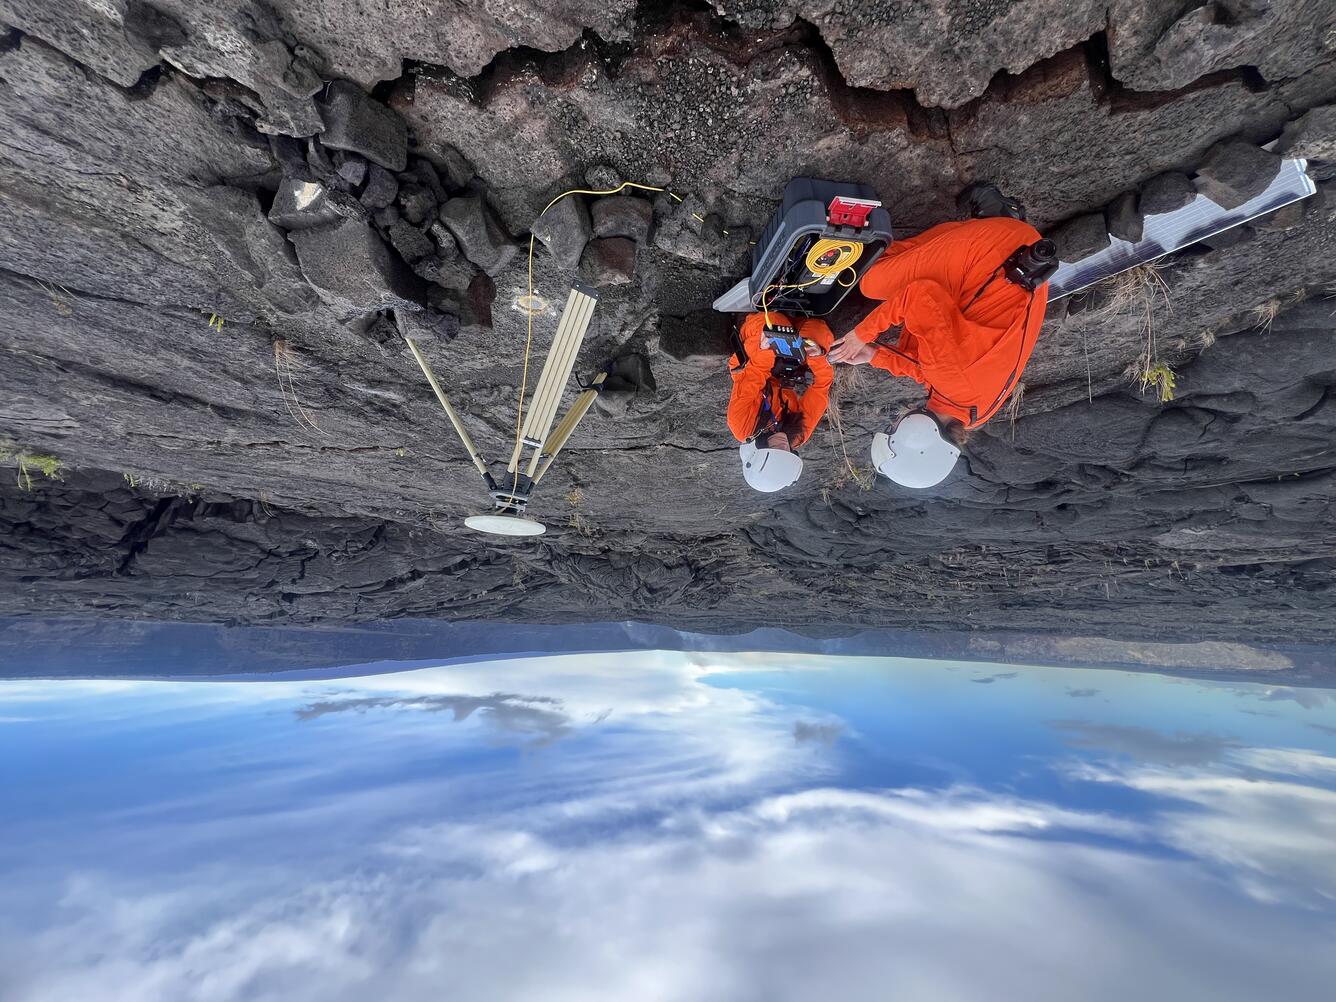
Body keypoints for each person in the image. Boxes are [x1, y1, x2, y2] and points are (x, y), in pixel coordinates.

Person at [827, 205, 1050, 489]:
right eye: (894, 429)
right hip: (1000, 249)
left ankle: (973, 228)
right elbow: (917, 295)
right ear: (916, 434)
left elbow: (930, 370)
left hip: (1013, 265)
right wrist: (862, 334)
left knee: (913, 341)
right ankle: (992, 218)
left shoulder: (972, 414)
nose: (894, 422)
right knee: (873, 282)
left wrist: (875, 355)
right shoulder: (952, 377)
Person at [728, 310, 834, 492]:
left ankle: (771, 318)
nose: (784, 445)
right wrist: (817, 358)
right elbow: (822, 387)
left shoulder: (740, 425)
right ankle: (796, 326)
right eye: (787, 451)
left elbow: (751, 378)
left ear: (758, 448)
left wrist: (765, 351)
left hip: (752, 361)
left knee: (775, 325)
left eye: (776, 448)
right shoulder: (797, 435)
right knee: (819, 333)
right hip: (787, 366)